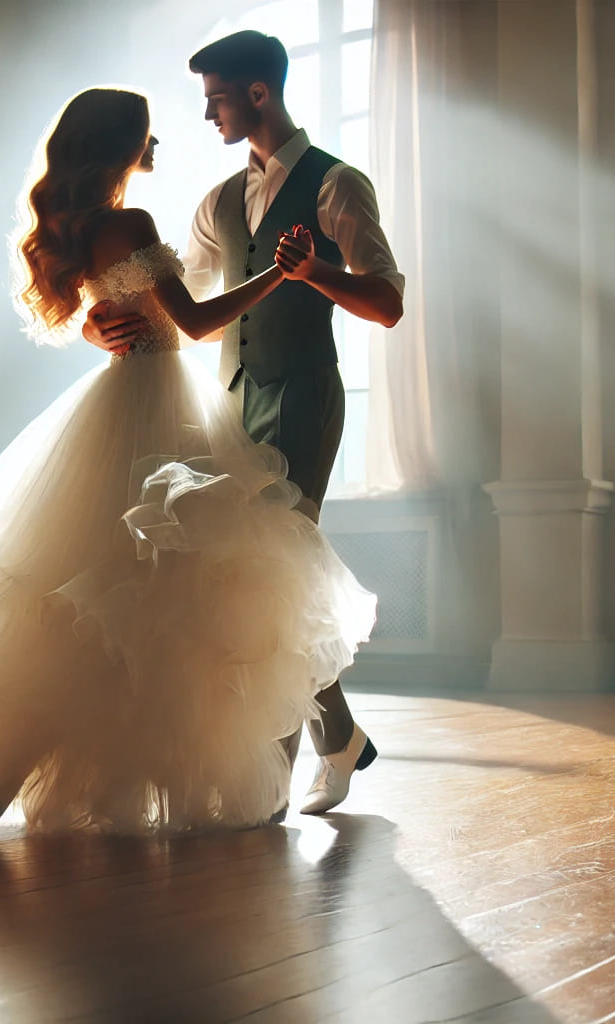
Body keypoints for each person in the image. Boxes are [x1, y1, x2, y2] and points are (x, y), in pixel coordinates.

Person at [0, 87, 376, 836]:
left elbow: (102, 315)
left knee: (76, 590)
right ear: (119, 145)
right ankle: (166, 766)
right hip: (162, 405)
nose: (157, 148)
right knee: (168, 594)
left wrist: (96, 331)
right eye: (146, 137)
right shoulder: (132, 222)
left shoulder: (76, 229)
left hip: (109, 404)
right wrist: (283, 274)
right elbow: (192, 323)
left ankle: (13, 762)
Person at [85, 31, 402, 814]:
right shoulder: (217, 201)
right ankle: (342, 739)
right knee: (245, 572)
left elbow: (388, 303)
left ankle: (270, 779)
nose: (206, 115)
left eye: (215, 98)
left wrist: (317, 270)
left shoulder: (337, 184)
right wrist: (96, 328)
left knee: (275, 563)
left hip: (303, 397)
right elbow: (163, 299)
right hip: (230, 403)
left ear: (257, 94)